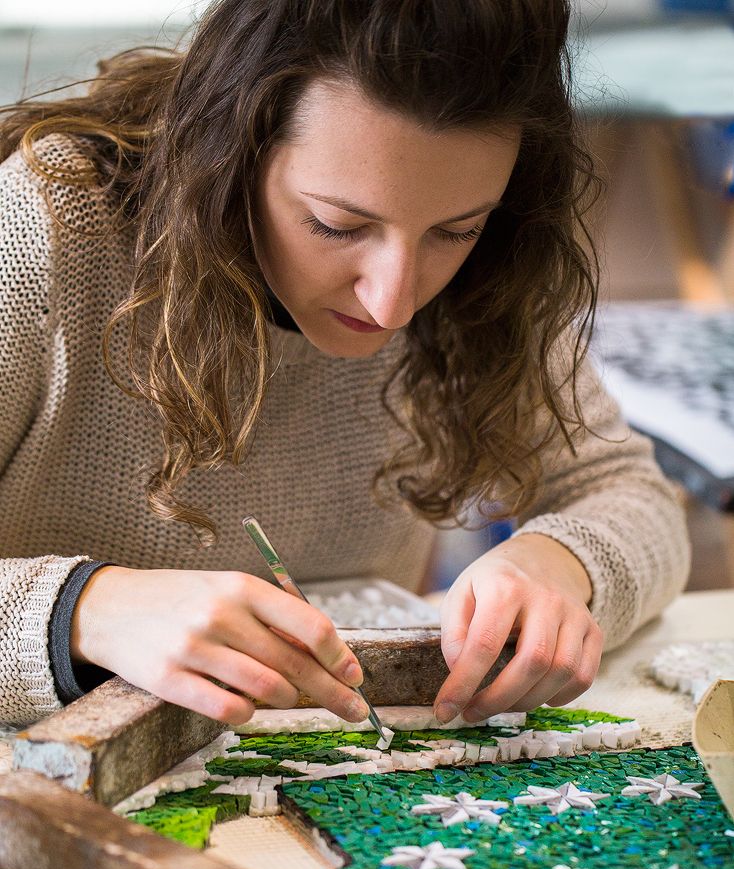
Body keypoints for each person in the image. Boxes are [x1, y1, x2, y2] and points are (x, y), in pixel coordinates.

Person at [0, 0, 689, 733]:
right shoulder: (46, 228)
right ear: (230, 149)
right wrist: (83, 612)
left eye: (455, 231)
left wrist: (559, 566)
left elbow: (630, 495)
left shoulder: (493, 273)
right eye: (338, 224)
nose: (393, 303)